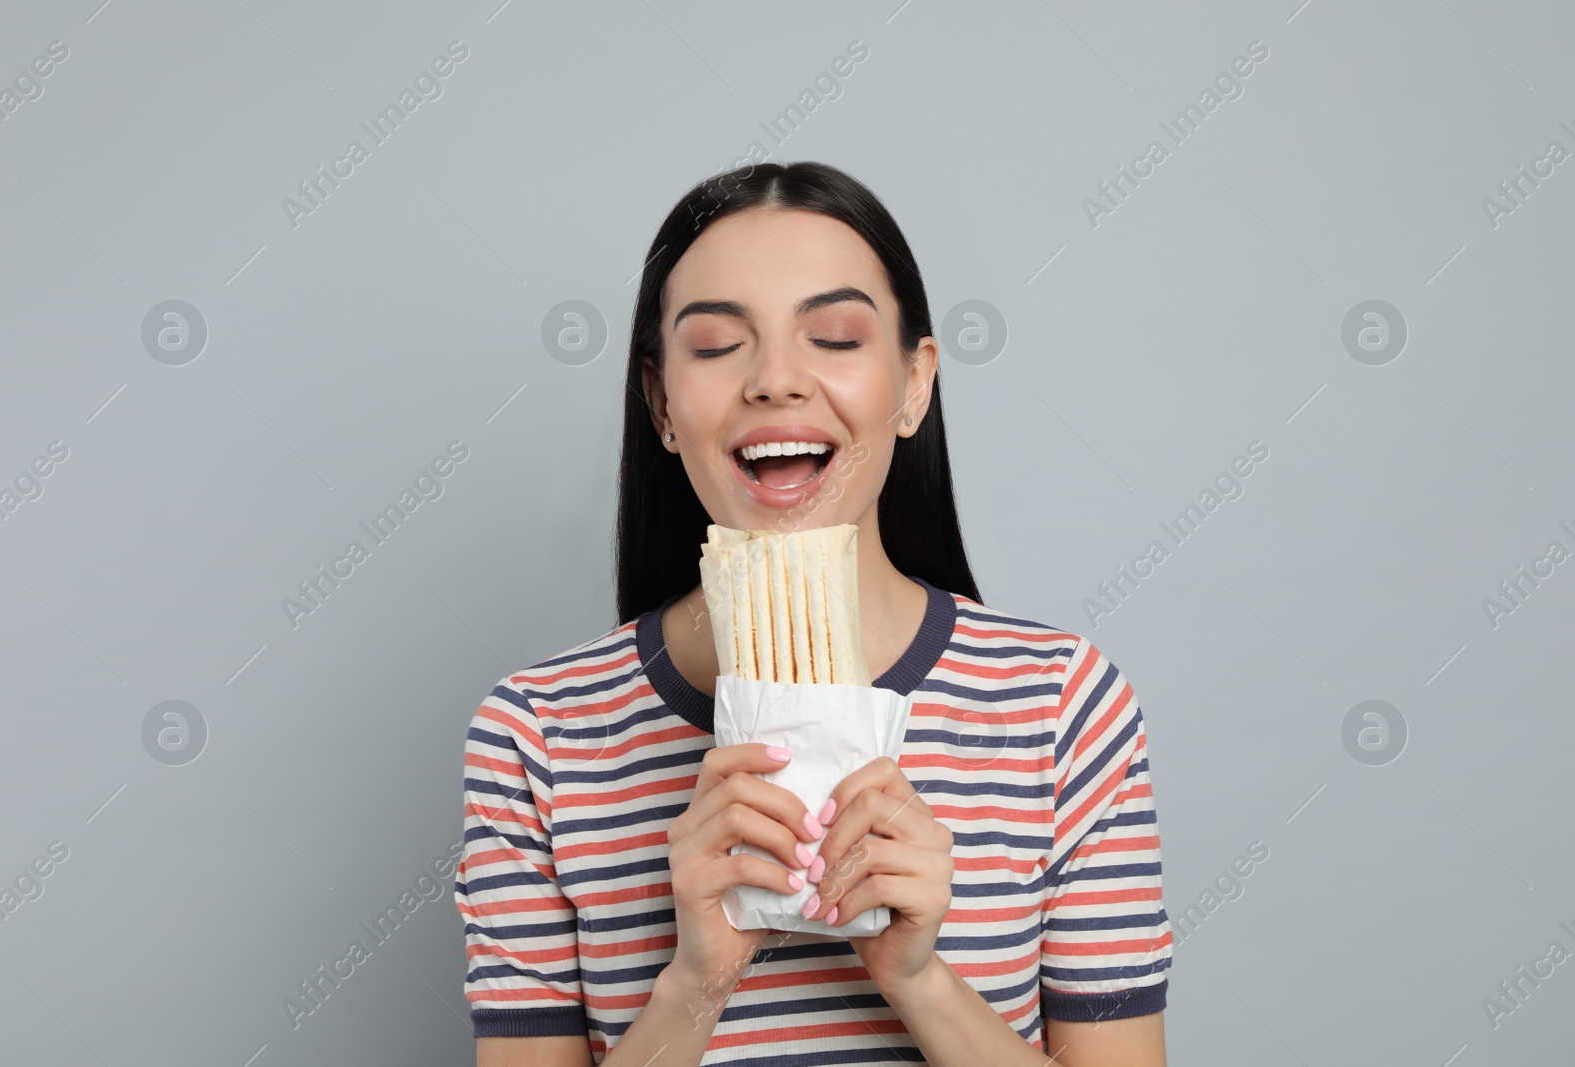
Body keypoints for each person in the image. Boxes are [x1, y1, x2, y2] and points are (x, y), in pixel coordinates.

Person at [455, 161, 1172, 1066]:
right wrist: (696, 981)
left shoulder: (1061, 706)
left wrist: (919, 977)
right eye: (717, 346)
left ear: (914, 385)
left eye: (834, 336)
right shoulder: (539, 737)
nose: (776, 381)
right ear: (662, 404)